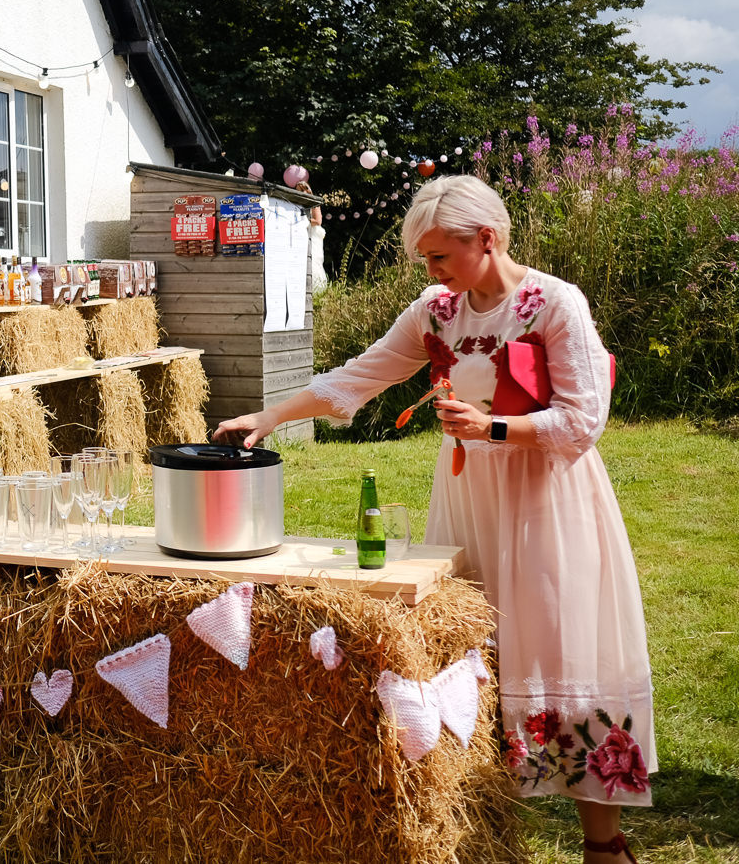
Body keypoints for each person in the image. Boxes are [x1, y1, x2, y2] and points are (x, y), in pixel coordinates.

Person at [214, 175, 653, 864]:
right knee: (472, 653)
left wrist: (492, 429)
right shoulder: (436, 311)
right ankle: (480, 824)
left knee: (560, 653)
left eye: (440, 256)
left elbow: (582, 421)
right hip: (468, 502)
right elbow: (359, 375)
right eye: (425, 260)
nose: (432, 272)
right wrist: (268, 416)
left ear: (488, 239)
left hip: (548, 505)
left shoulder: (554, 304)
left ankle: (605, 845)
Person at [294, 180, 328, 291]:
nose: (302, 192)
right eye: (299, 190)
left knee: (313, 260)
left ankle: (317, 289)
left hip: (312, 235)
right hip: (301, 234)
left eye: (304, 190)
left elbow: (318, 221)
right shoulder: (297, 203)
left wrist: (303, 220)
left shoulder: (314, 203)